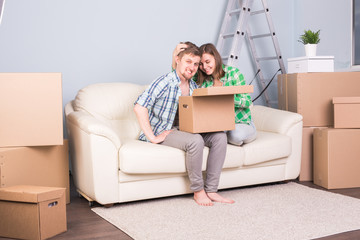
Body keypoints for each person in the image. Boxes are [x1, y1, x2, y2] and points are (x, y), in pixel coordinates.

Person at [134, 42, 234, 206]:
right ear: (177, 60)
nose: (192, 67)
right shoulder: (164, 82)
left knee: (219, 137)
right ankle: (198, 191)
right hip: (165, 131)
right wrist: (152, 137)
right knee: (195, 141)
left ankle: (212, 190)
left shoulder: (194, 86)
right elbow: (139, 107)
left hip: (186, 129)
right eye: (188, 61)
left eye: (196, 64)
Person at [173, 42, 257, 146]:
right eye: (201, 64)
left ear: (216, 58)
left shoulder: (233, 73)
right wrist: (176, 55)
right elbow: (179, 76)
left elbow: (247, 101)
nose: (205, 67)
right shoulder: (202, 79)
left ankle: (248, 132)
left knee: (235, 135)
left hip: (240, 122)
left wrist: (222, 98)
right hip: (217, 125)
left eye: (208, 62)